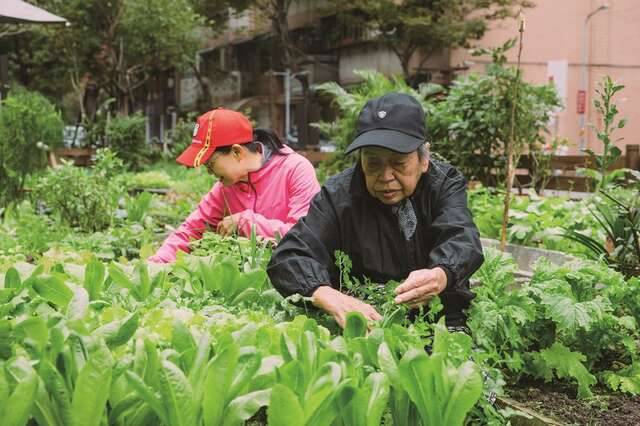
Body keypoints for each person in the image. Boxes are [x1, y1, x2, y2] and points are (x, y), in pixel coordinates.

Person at [267, 92, 484, 328]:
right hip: (364, 320)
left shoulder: (443, 184)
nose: (386, 176)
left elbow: (462, 237)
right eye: (373, 163)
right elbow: (289, 256)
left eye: (399, 163)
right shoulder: (339, 195)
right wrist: (326, 295)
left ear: (424, 159)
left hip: (439, 317)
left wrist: (441, 274)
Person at [149, 108, 320, 263]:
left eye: (210, 164)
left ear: (237, 152)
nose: (209, 172)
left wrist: (245, 222)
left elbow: (304, 236)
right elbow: (191, 230)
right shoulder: (225, 188)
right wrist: (155, 265)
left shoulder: (295, 169)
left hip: (297, 276)